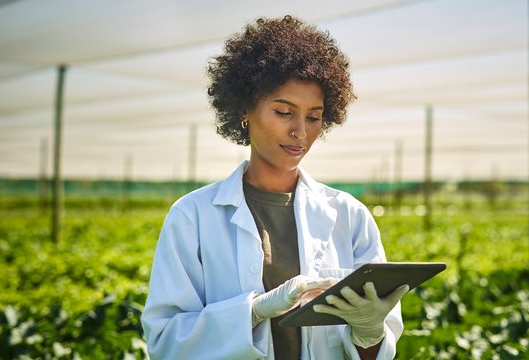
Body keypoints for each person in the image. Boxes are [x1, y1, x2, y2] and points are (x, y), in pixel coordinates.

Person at [141, 15, 409, 359]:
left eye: (314, 116)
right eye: (284, 111)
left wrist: (370, 330)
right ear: (245, 110)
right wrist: (253, 311)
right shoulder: (192, 216)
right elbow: (165, 342)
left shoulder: (350, 215)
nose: (301, 131)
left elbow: (377, 349)